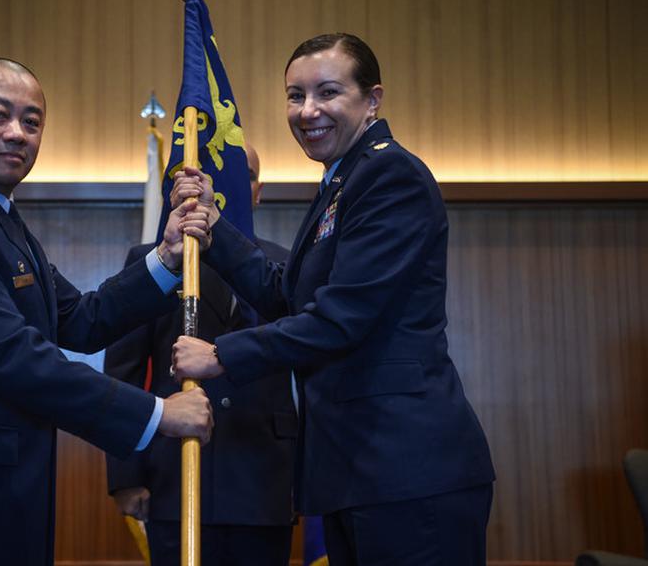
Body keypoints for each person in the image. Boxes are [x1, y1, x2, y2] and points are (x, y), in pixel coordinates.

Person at [0, 57, 214, 566]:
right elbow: (13, 356)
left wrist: (166, 257)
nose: (17, 133)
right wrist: (158, 414)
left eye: (31, 122)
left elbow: (81, 319)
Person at [170, 33, 495, 565]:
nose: (308, 111)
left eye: (327, 93)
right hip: (360, 471)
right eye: (295, 96)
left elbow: (342, 318)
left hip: (406, 470)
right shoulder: (341, 182)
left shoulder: (390, 175)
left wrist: (224, 354)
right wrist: (214, 225)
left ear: (373, 100)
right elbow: (288, 295)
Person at [105, 145, 296, 566]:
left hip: (266, 479)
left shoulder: (286, 265)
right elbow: (125, 371)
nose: (227, 183)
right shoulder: (155, 260)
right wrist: (127, 477)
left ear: (258, 191)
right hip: (177, 475)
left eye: (242, 174)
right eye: (215, 173)